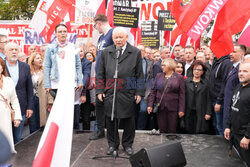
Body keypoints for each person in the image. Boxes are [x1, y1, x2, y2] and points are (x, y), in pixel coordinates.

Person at [96, 27, 144, 155]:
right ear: (112, 39)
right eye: (115, 38)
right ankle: (112, 145)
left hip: (128, 92)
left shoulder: (135, 52)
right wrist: (99, 90)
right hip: (110, 91)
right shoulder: (106, 52)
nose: (118, 40)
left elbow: (139, 74)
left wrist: (139, 92)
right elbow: (100, 73)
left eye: (120, 37)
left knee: (129, 120)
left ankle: (128, 145)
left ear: (126, 37)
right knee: (110, 119)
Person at [90, 13, 114, 140]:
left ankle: (111, 131)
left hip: (109, 76)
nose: (95, 29)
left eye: (95, 26)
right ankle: (100, 130)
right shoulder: (100, 39)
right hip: (99, 76)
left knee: (109, 104)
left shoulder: (112, 34)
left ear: (99, 23)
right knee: (99, 104)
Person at [43, 23, 83, 98]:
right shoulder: (50, 48)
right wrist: (47, 84)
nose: (62, 34)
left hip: (70, 83)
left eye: (64, 31)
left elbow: (78, 65)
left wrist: (80, 81)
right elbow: (47, 66)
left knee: (69, 108)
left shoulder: (72, 47)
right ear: (56, 34)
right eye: (60, 32)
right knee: (58, 108)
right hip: (56, 83)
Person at [5, 42, 33, 143]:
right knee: (6, 139)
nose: (14, 52)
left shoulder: (25, 66)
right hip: (4, 108)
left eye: (16, 50)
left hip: (21, 107)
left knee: (17, 138)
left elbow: (29, 88)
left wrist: (30, 106)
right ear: (5, 52)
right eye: (11, 50)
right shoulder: (1, 65)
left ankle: (16, 159)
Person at [148, 58, 185, 133]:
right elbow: (153, 91)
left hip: (173, 108)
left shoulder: (179, 78)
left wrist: (181, 109)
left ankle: (170, 144)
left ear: (170, 65)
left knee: (172, 129)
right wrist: (150, 105)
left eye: (164, 65)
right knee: (162, 129)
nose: (162, 67)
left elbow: (182, 95)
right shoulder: (159, 76)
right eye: (162, 65)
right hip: (160, 107)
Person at [224, 63, 250, 166]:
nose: (241, 74)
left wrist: (247, 136)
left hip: (245, 138)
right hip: (235, 135)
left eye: (245, 71)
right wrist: (227, 126)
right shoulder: (238, 86)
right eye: (240, 71)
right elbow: (232, 107)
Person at [0, 58, 22, 153]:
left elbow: (14, 100)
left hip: (5, 114)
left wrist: (17, 117)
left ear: (2, 67)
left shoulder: (8, 80)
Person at [28, 52, 53, 132]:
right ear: (32, 61)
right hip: (31, 100)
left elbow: (49, 88)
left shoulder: (45, 71)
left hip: (43, 99)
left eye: (40, 58)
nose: (40, 60)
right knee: (32, 123)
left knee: (43, 122)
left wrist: (50, 101)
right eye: (38, 58)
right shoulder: (28, 72)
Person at [223, 44, 246, 131]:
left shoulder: (242, 69)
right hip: (227, 104)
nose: (230, 54)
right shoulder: (231, 67)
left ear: (242, 54)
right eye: (230, 51)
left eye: (234, 52)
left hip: (235, 106)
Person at [185, 61, 211, 134]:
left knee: (199, 131)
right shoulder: (186, 82)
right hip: (188, 111)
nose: (197, 71)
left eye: (199, 70)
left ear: (203, 72)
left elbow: (209, 99)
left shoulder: (206, 83)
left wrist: (208, 112)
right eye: (195, 69)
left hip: (201, 111)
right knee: (188, 130)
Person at [209, 54, 232, 135]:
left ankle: (222, 146)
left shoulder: (226, 62)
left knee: (220, 127)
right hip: (214, 98)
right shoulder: (216, 61)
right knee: (215, 125)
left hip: (219, 100)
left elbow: (224, 83)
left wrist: (219, 101)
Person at [136, 44, 154, 130]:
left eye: (142, 50)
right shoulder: (130, 62)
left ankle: (140, 130)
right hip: (132, 93)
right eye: (138, 50)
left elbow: (151, 79)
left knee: (143, 111)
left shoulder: (150, 63)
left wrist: (148, 93)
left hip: (145, 93)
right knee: (132, 113)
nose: (140, 52)